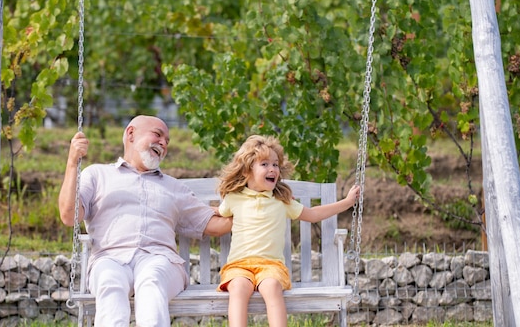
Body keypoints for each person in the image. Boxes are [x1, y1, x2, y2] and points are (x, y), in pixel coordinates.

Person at [58, 115, 232, 327]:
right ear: (131, 133)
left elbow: (214, 225)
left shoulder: (173, 187)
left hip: (160, 260)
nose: (163, 144)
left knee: (151, 281)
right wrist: (72, 162)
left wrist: (252, 206)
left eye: (167, 141)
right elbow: (68, 216)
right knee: (110, 282)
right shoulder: (97, 175)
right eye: (158, 135)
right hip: (109, 258)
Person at [216, 135, 361, 327]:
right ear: (246, 171)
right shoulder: (234, 199)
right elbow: (216, 213)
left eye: (275, 165)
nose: (272, 169)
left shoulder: (282, 201)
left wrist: (347, 202)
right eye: (265, 164)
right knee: (238, 287)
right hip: (239, 265)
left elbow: (313, 214)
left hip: (270, 265)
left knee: (272, 286)